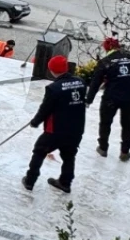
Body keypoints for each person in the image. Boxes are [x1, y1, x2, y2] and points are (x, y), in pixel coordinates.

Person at [22, 55, 87, 194]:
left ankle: (29, 181)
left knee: (39, 151)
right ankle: (65, 183)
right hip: (76, 130)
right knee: (69, 156)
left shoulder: (54, 88)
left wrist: (35, 122)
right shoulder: (81, 82)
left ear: (52, 70)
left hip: (56, 130)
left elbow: (46, 109)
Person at [86, 36, 130, 161]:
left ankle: (103, 148)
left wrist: (88, 100)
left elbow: (95, 83)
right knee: (128, 124)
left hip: (111, 97)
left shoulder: (105, 62)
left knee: (105, 123)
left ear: (107, 48)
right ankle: (125, 152)